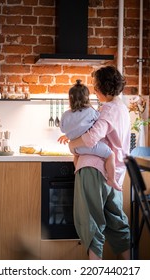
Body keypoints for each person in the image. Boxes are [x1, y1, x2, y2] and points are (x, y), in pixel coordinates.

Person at [58, 66, 131, 260]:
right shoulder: (122, 108)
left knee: (91, 224)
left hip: (93, 169)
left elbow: (91, 139)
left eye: (96, 86)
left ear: (103, 87)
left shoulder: (107, 109)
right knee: (117, 223)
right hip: (114, 173)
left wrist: (72, 144)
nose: (95, 91)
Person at [60, 79, 122, 191]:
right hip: (91, 147)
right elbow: (97, 122)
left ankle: (76, 171)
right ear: (87, 97)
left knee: (76, 156)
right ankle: (112, 179)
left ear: (70, 99)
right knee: (110, 155)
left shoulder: (65, 114)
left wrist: (68, 136)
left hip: (76, 148)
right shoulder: (90, 111)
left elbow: (63, 129)